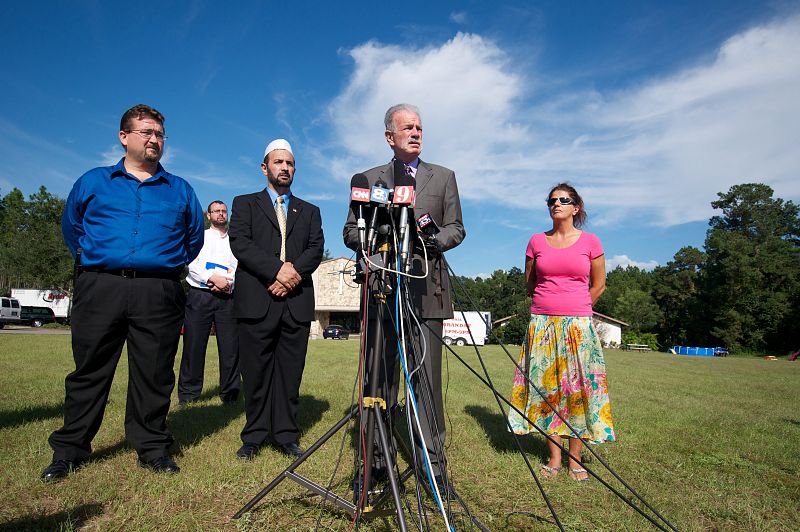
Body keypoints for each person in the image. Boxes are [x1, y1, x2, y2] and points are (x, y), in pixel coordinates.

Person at [42, 104, 204, 481]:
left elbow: (192, 239)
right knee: (90, 370)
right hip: (101, 286)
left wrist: (163, 263)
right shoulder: (93, 181)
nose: (154, 140)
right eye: (147, 132)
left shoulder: (179, 189)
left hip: (158, 291)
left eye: (160, 135)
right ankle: (69, 450)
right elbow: (73, 228)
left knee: (155, 372)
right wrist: (94, 262)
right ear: (124, 137)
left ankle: (151, 447)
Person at [343, 104, 465, 498]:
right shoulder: (367, 179)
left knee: (426, 382)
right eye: (407, 127)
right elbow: (349, 230)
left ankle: (433, 467)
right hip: (381, 290)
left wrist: (431, 241)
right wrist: (369, 241)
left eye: (419, 127)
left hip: (425, 290)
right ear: (389, 136)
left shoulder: (443, 177)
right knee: (378, 380)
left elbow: (456, 228)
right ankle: (375, 460)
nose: (415, 132)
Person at [508, 183, 615, 482]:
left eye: (563, 200)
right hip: (542, 325)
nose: (556, 204)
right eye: (552, 200)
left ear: (576, 207)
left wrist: (578, 307)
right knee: (549, 392)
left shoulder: (591, 241)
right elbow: (530, 283)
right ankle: (554, 457)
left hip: (578, 326)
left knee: (576, 390)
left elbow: (599, 284)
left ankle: (575, 458)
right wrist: (549, 304)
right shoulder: (536, 241)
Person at [229, 139, 324, 460]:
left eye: (290, 163)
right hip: (257, 299)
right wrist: (276, 271)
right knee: (255, 373)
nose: (285, 168)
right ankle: (253, 436)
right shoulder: (244, 204)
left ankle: (286, 434)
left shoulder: (310, 211)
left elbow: (315, 248)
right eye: (278, 162)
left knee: (289, 373)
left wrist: (290, 274)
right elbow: (240, 243)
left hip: (294, 301)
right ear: (264, 167)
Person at [178, 200, 240, 406]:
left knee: (230, 347)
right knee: (194, 346)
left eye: (224, 211)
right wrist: (212, 279)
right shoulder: (200, 237)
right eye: (216, 211)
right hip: (200, 295)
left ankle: (230, 394)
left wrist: (227, 283)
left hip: (227, 298)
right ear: (208, 215)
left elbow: (238, 267)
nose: (221, 214)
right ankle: (189, 395)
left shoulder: (235, 241)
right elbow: (192, 263)